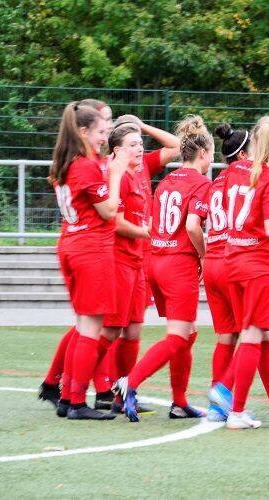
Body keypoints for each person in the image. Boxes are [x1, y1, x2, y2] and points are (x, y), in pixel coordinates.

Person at [210, 115, 269, 430]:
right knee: (253, 334)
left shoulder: (232, 171)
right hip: (259, 266)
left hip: (232, 259)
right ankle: (234, 406)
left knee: (266, 333)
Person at [115, 115, 212, 422]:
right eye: (210, 154)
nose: (211, 160)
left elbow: (155, 222)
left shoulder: (167, 181)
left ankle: (180, 402)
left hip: (156, 261)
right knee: (178, 336)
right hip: (178, 264)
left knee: (187, 333)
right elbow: (193, 227)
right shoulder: (202, 183)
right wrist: (204, 256)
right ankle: (130, 381)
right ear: (203, 153)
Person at [92, 114, 181, 410]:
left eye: (140, 143)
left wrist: (140, 126)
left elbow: (176, 145)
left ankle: (123, 392)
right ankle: (80, 382)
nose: (140, 148)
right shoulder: (114, 174)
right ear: (118, 149)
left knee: (133, 330)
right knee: (109, 329)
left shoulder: (142, 167)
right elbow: (116, 222)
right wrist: (148, 231)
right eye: (133, 144)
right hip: (119, 259)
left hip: (140, 259)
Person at [47, 101, 127, 420]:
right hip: (90, 248)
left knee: (83, 326)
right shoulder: (84, 165)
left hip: (72, 243)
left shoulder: (65, 162)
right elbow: (108, 211)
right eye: (100, 132)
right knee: (91, 328)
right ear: (83, 131)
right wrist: (116, 174)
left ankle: (68, 398)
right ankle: (78, 402)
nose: (104, 138)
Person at [203, 123, 249, 421]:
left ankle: (215, 408)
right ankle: (226, 394)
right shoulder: (244, 180)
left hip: (212, 261)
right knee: (253, 333)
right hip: (234, 260)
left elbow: (194, 224)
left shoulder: (214, 183)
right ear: (243, 154)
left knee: (226, 336)